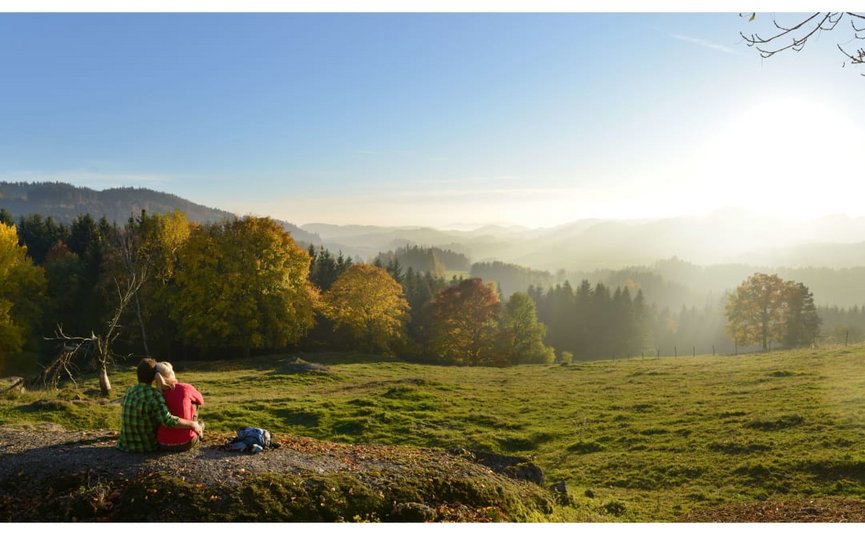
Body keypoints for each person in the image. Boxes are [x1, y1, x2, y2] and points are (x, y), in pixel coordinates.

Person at [116, 358, 202, 453]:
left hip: (124, 445)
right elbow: (167, 420)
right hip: (145, 447)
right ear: (154, 377)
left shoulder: (130, 390)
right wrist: (192, 424)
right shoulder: (153, 394)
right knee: (193, 405)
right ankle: (196, 428)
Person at [154, 361, 205, 452]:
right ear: (172, 373)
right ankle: (197, 427)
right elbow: (200, 400)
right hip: (186, 442)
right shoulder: (184, 387)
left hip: (162, 443)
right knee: (194, 403)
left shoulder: (155, 393)